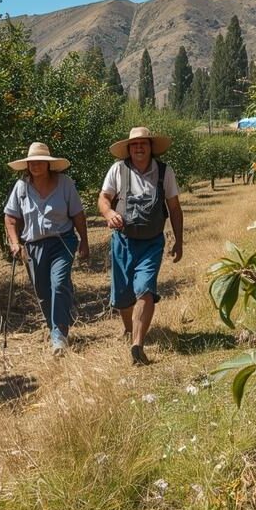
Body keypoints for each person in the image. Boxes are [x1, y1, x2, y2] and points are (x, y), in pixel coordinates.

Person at [97, 126, 183, 366]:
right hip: (123, 241)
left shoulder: (164, 172)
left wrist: (179, 240)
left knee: (145, 289)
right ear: (128, 149)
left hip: (152, 243)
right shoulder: (118, 170)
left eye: (143, 144)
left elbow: (174, 208)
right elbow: (103, 198)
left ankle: (137, 344)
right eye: (134, 145)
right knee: (123, 295)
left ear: (151, 147)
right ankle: (129, 330)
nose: (139, 148)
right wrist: (109, 213)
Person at [4, 142, 89, 354]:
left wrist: (84, 241)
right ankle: (56, 328)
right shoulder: (21, 188)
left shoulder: (65, 184)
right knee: (43, 292)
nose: (35, 165)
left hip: (62, 242)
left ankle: (59, 337)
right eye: (31, 162)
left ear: (49, 164)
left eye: (40, 161)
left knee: (59, 283)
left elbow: (78, 214)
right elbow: (11, 218)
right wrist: (15, 243)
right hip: (33, 247)